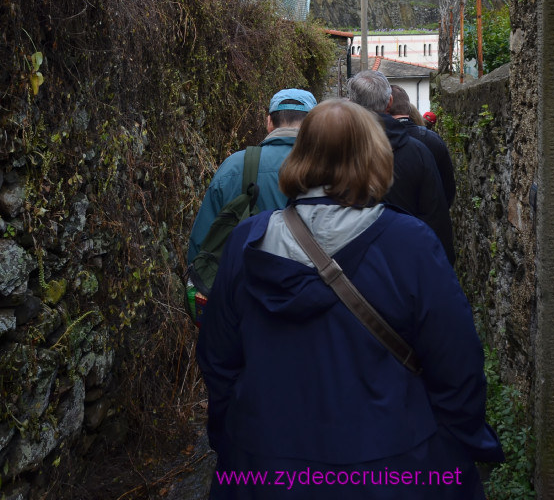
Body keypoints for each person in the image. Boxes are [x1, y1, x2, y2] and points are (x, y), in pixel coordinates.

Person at [197, 99, 503, 498]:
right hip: (393, 467)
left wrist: (235, 445)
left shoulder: (247, 241)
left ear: (301, 155)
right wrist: (450, 447)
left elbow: (218, 360)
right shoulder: (410, 243)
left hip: (267, 468)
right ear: (374, 157)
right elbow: (458, 365)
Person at [187, 88, 317, 263]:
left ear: (269, 122)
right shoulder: (333, 168)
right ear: (314, 125)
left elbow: (203, 241)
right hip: (310, 285)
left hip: (245, 286)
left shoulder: (234, 167)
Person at [347, 70, 455, 265]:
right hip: (409, 264)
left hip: (351, 272)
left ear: (351, 104)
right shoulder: (419, 151)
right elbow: (437, 215)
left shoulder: (336, 150)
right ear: (389, 103)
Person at [389, 84, 456, 207]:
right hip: (429, 219)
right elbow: (448, 188)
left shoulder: (378, 141)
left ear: (387, 105)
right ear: (408, 108)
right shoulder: (433, 139)